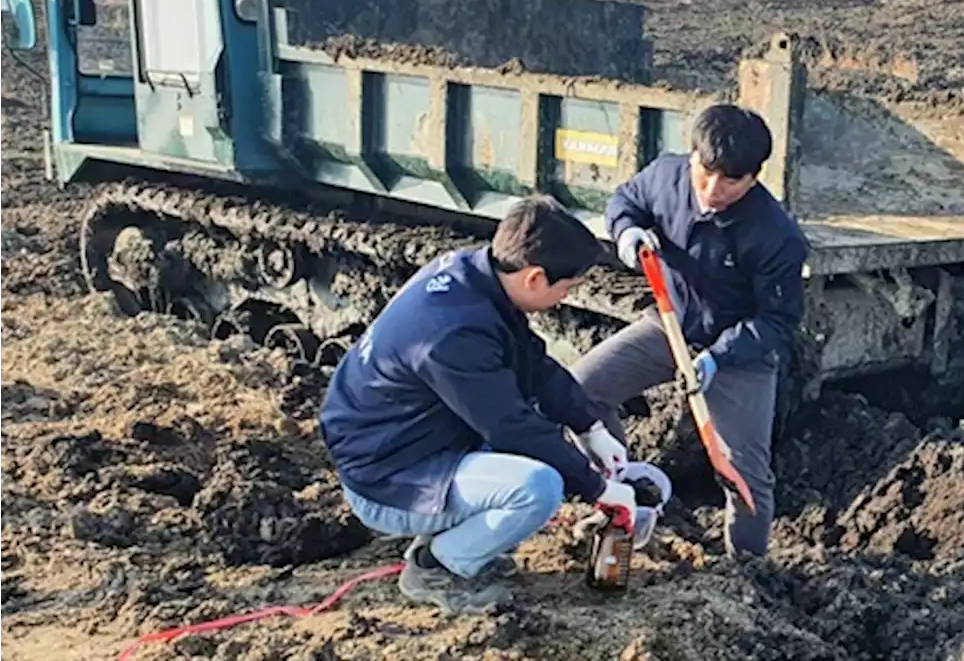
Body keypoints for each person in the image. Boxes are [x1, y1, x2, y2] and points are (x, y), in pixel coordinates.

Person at [319, 195, 636, 614]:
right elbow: (511, 426)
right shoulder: (453, 336)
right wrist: (598, 488)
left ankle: (459, 546)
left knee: (538, 455)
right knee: (537, 488)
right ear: (535, 278)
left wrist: (589, 428)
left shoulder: (474, 277)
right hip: (387, 476)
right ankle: (437, 567)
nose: (564, 298)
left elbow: (532, 364)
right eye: (567, 288)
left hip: (412, 443)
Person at [567, 103, 809, 558]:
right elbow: (626, 200)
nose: (714, 189)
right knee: (581, 391)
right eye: (706, 172)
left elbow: (777, 320)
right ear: (693, 155)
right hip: (669, 324)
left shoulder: (776, 236)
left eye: (731, 181)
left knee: (743, 471)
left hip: (739, 354)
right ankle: (619, 499)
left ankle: (748, 572)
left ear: (754, 177)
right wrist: (626, 232)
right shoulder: (666, 176)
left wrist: (720, 356)